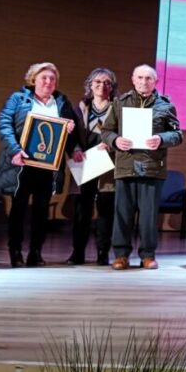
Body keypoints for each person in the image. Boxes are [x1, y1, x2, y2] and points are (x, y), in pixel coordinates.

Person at [0, 62, 77, 267]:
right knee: (18, 208)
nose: (48, 82)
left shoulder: (62, 102)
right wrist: (15, 150)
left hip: (48, 167)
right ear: (33, 79)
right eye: (44, 78)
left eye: (52, 79)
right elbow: (4, 124)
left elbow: (70, 134)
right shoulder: (18, 99)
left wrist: (70, 129)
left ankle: (35, 253)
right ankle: (15, 252)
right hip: (21, 163)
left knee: (41, 210)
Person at [101, 64, 183, 270]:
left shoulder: (166, 105)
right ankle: (121, 255)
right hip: (125, 166)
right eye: (140, 77)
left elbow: (177, 134)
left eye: (148, 78)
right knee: (122, 214)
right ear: (133, 79)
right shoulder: (120, 102)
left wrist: (161, 139)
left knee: (148, 216)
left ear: (155, 81)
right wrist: (115, 140)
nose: (144, 82)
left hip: (152, 167)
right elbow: (106, 131)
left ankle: (148, 255)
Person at [67, 68, 118, 266]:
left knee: (106, 211)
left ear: (112, 87)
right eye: (97, 81)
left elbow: (125, 134)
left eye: (106, 82)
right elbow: (71, 136)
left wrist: (112, 142)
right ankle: (77, 253)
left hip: (108, 165)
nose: (101, 85)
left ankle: (103, 253)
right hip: (84, 163)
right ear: (90, 84)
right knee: (81, 210)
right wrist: (76, 149)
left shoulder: (119, 108)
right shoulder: (79, 108)